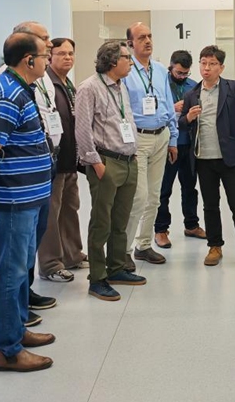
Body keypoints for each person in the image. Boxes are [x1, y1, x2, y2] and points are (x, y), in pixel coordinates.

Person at [0, 33, 56, 372]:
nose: (49, 60)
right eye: (45, 55)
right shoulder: (7, 95)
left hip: (31, 197)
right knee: (9, 273)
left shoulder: (22, 88)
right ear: (28, 60)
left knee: (20, 269)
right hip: (14, 200)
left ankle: (17, 329)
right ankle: (7, 349)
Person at [179, 45, 235, 274]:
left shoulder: (231, 88)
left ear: (221, 67)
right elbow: (181, 123)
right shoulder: (192, 94)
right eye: (203, 63)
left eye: (212, 64)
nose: (206, 68)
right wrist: (187, 117)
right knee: (210, 206)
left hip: (230, 159)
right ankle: (214, 246)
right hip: (203, 159)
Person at [75, 41, 147, 301]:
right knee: (101, 222)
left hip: (128, 161)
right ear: (112, 61)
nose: (130, 62)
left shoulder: (121, 87)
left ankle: (117, 268)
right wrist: (95, 163)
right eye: (127, 57)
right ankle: (97, 277)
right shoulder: (89, 88)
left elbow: (125, 121)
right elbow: (82, 130)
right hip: (106, 162)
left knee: (121, 220)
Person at [123, 23, 178, 269]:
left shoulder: (158, 69)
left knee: (155, 197)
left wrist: (173, 137)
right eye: (141, 37)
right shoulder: (125, 71)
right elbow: (122, 110)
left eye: (149, 36)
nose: (147, 41)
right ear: (130, 44)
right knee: (139, 196)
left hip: (161, 136)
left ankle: (143, 246)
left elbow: (167, 103)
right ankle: (122, 251)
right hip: (139, 139)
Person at [38, 37, 88, 282]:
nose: (67, 57)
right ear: (49, 56)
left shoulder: (68, 84)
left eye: (70, 53)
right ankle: (50, 263)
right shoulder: (44, 83)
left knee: (71, 209)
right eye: (61, 54)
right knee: (52, 214)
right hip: (54, 162)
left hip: (70, 161)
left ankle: (72, 254)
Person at [154, 50, 206, 248]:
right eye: (178, 73)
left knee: (190, 188)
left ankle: (191, 224)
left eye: (186, 73)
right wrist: (172, 107)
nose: (182, 76)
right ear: (170, 67)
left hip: (188, 144)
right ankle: (161, 229)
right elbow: (150, 109)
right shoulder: (160, 85)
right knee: (163, 190)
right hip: (167, 145)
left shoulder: (194, 87)